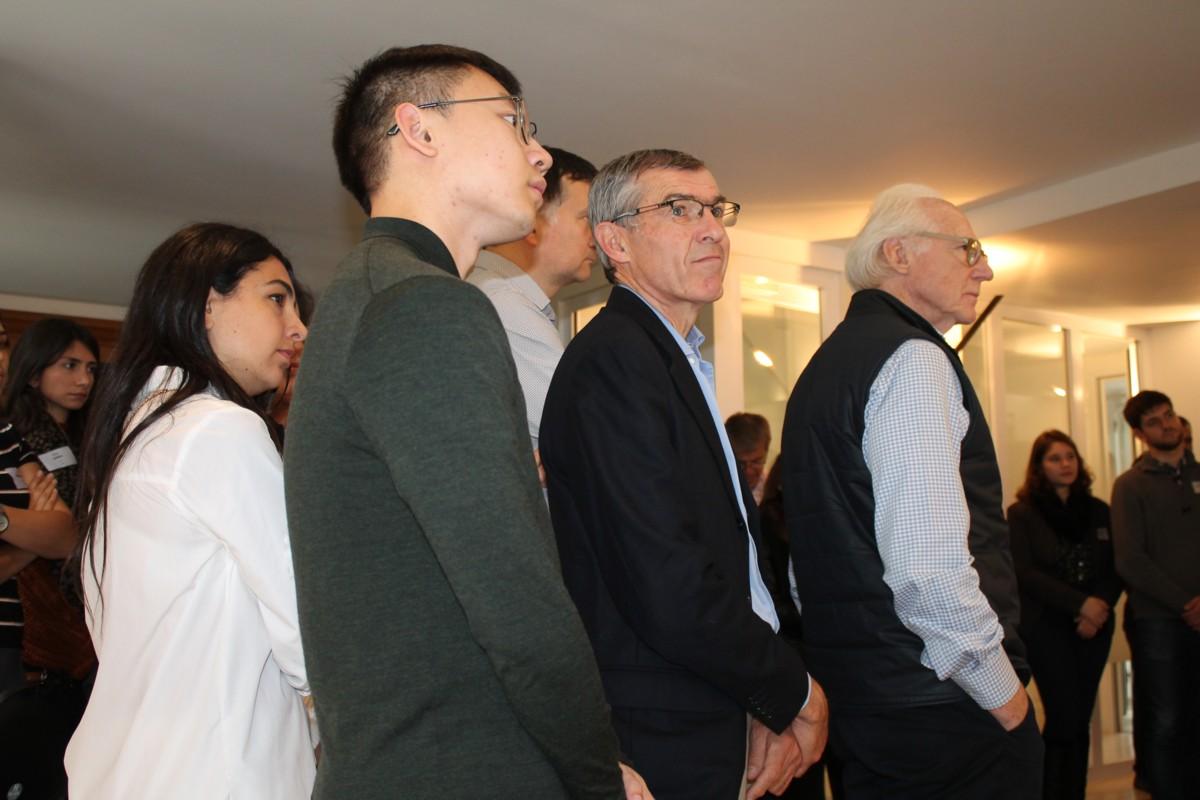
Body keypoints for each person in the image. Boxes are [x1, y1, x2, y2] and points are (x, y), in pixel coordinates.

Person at [284, 44, 649, 800]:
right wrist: (596, 777)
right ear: (419, 129)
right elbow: (514, 593)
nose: (539, 151)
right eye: (516, 121)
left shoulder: (369, 293)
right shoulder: (424, 303)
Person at [541, 148, 827, 800]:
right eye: (679, 209)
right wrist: (794, 691)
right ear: (615, 242)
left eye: (715, 210)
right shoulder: (615, 361)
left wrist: (763, 695)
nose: (712, 230)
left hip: (714, 701)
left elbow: (730, 557)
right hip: (663, 728)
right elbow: (667, 579)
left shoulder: (668, 358)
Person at [782, 183, 1041, 799]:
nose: (985, 268)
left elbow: (805, 561)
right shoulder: (913, 360)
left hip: (865, 697)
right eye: (967, 249)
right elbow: (928, 570)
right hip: (940, 703)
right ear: (897, 254)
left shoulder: (825, 366)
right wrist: (1004, 696)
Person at [61, 223, 313, 797]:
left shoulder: (137, 428)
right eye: (277, 298)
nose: (298, 328)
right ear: (206, 305)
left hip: (135, 766)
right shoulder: (217, 428)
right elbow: (306, 615)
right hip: (215, 772)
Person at [1008, 430, 1122, 800]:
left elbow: (1115, 567)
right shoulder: (1022, 514)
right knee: (1063, 717)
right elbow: (1025, 574)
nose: (1065, 464)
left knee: (1079, 719)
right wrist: (1080, 605)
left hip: (1095, 626)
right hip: (1047, 627)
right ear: (1039, 466)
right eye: (1055, 458)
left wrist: (1097, 607)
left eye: (1070, 456)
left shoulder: (1098, 510)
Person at [467, 146, 597, 455]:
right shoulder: (504, 306)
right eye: (586, 219)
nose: (598, 237)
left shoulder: (499, 299)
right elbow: (591, 435)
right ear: (532, 224)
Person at [1111, 390, 1200, 800]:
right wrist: (1185, 604)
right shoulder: (1130, 486)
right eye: (1153, 421)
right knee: (1166, 719)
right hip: (1158, 621)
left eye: (1169, 415)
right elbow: (1130, 560)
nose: (1167, 424)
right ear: (1138, 434)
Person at [726, 412, 771, 504]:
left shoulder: (774, 493)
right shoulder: (716, 492)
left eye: (756, 462)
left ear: (766, 453)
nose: (749, 471)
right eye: (740, 464)